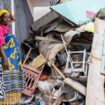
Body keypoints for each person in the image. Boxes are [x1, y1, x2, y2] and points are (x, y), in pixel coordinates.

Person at [0, 9, 24, 97]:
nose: (7, 19)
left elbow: (13, 20)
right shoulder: (0, 28)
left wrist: (10, 15)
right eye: (5, 17)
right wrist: (5, 58)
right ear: (1, 19)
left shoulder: (5, 27)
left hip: (12, 57)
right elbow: (0, 44)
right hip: (6, 57)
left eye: (8, 18)